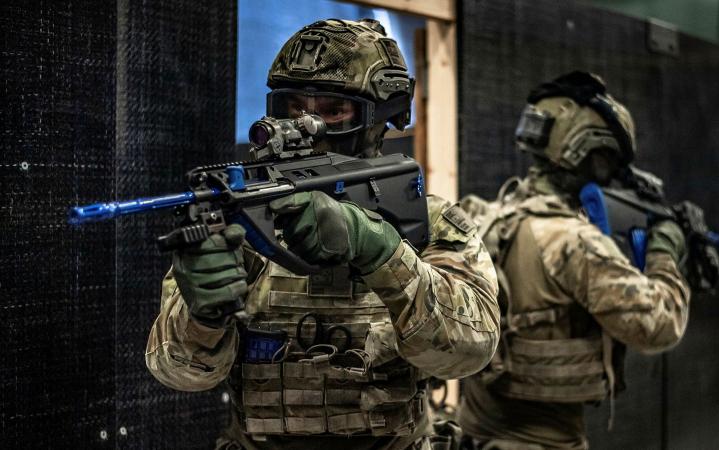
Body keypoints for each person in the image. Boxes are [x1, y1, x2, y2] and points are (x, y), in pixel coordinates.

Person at [144, 18, 499, 450]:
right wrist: (204, 317)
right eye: (295, 108)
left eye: (333, 111)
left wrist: (379, 249)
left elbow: (470, 351)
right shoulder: (245, 216)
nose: (308, 127)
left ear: (381, 116)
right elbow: (178, 373)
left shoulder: (430, 220)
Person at [457, 71, 691, 450]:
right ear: (586, 153)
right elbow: (660, 324)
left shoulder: (482, 217)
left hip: (474, 436)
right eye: (608, 160)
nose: (612, 173)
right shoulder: (573, 242)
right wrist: (665, 254)